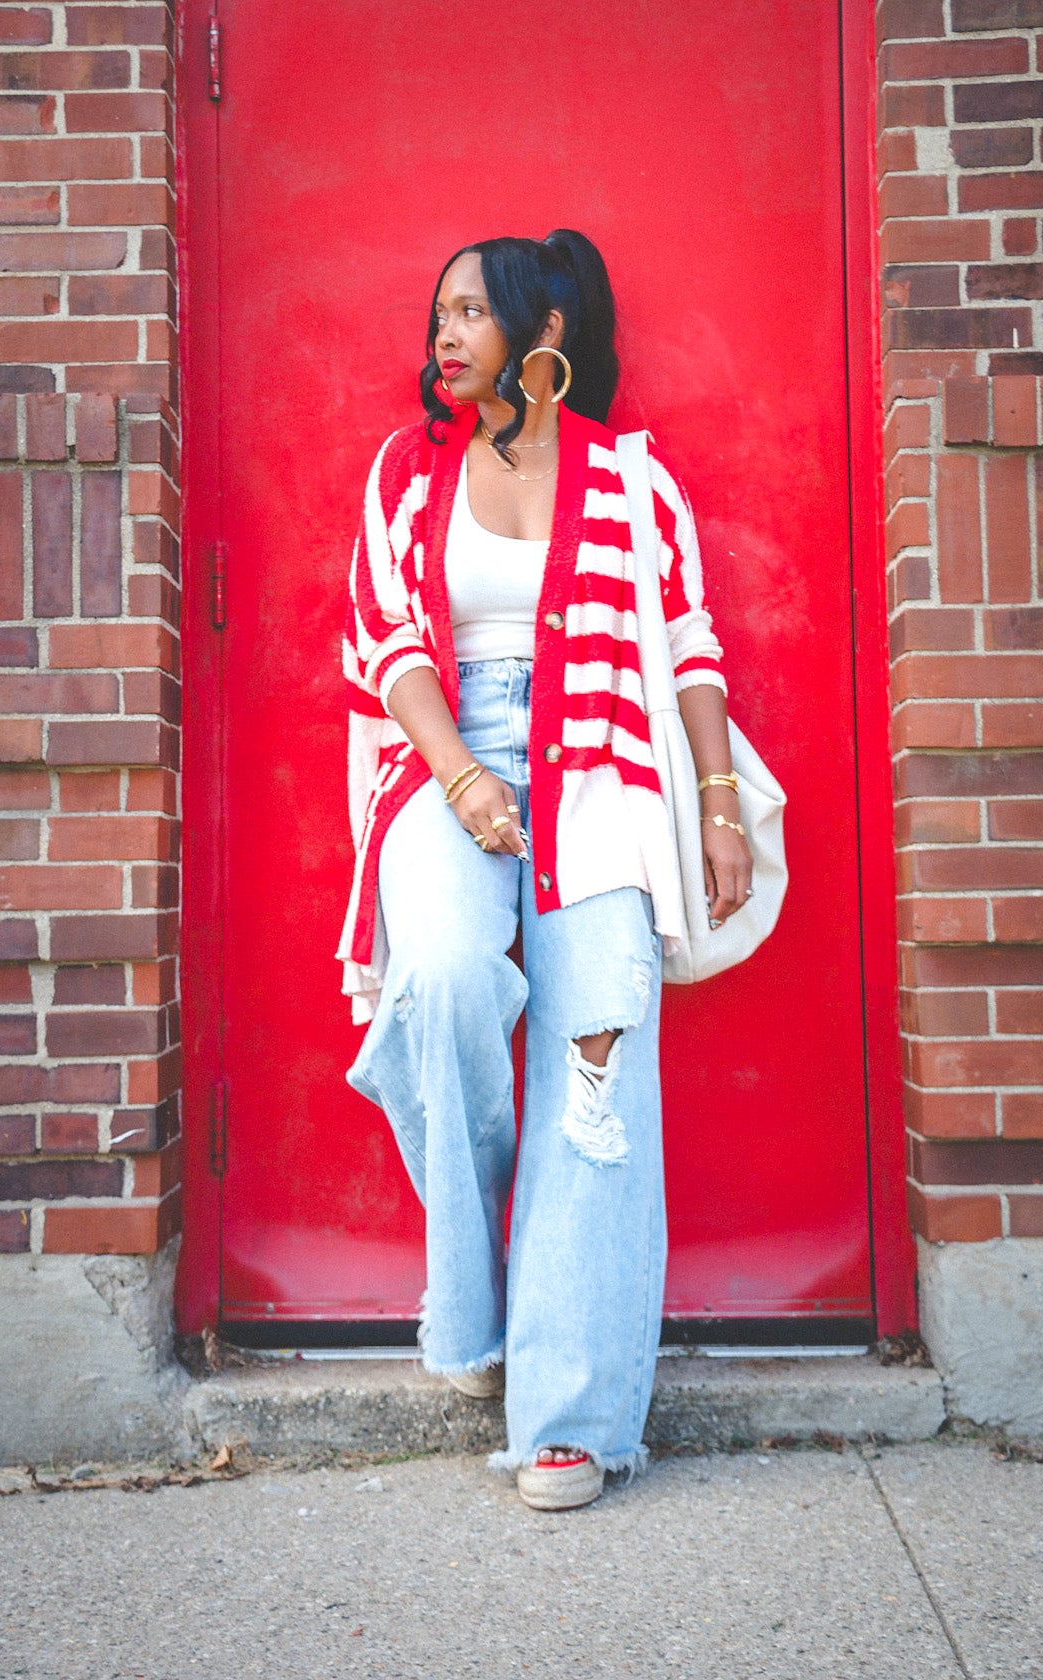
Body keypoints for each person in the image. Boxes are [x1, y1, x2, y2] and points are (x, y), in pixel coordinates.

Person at [339, 231, 752, 1511]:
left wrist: (721, 805)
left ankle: (568, 1417)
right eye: (436, 314)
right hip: (444, 761)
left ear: (543, 328)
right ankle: (479, 1290)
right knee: (450, 980)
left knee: (597, 1066)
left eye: (471, 311)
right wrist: (465, 774)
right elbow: (387, 638)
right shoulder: (408, 475)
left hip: (604, 776)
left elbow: (686, 641)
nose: (444, 336)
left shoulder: (632, 478)